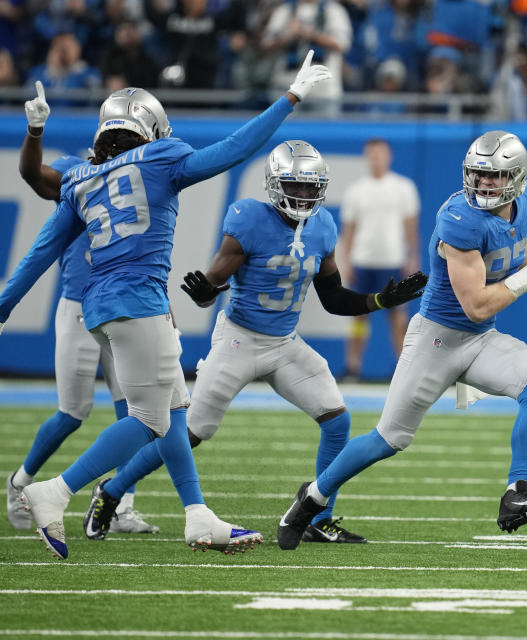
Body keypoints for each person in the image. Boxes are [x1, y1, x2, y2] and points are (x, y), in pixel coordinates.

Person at [0, 51, 333, 560]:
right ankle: (54, 492)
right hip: (138, 301)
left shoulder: (81, 179)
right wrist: (289, 98)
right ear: (150, 128)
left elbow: (41, 251)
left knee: (175, 411)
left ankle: (198, 517)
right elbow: (232, 149)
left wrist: (3, 307)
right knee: (149, 420)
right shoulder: (160, 157)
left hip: (101, 306)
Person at [85, 139, 428, 546]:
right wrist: (206, 293)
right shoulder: (249, 219)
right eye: (295, 185)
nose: (303, 195)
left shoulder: (322, 227)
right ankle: (111, 491)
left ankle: (320, 516)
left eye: (310, 186)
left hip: (284, 342)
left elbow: (334, 299)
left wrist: (380, 300)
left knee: (338, 420)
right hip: (239, 339)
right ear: (274, 184)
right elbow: (213, 283)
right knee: (190, 433)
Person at [274, 130, 527, 550]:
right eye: (478, 174)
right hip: (436, 340)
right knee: (388, 439)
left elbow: (518, 244)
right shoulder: (460, 217)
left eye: (494, 177)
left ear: (518, 179)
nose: (484, 184)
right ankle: (311, 497)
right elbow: (476, 305)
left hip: (479, 340)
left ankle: (517, 492)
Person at [5, 81, 157, 536]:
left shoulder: (146, 172)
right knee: (73, 411)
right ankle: (22, 481)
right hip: (78, 306)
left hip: (123, 304)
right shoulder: (78, 173)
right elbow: (34, 176)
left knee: (133, 410)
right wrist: (35, 131)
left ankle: (119, 502)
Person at [339, 138, 420, 380]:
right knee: (358, 316)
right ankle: (353, 367)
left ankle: (403, 367)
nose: (376, 159)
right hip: (363, 262)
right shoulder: (356, 190)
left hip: (392, 262)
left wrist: (412, 257)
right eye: (372, 154)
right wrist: (346, 261)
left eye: (380, 154)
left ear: (389, 157)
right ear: (367, 157)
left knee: (398, 317)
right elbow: (349, 229)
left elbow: (411, 228)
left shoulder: (403, 188)